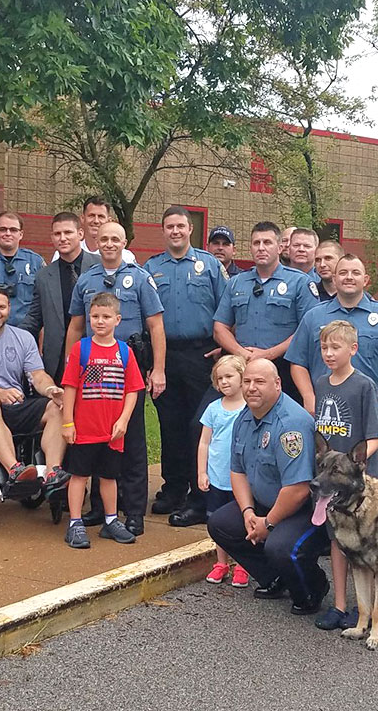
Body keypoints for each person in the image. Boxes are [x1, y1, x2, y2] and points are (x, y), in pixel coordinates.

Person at [65, 222, 165, 537]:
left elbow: (156, 326)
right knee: (95, 440)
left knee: (131, 445)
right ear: (96, 241)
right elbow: (75, 326)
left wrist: (158, 369)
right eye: (103, 238)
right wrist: (71, 364)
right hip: (91, 369)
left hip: (127, 367)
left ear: (124, 242)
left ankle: (133, 513)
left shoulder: (139, 277)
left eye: (115, 239)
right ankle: (100, 510)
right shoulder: (87, 279)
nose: (108, 243)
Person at [206, 359, 328, 613]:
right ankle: (276, 576)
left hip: (304, 510)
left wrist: (267, 523)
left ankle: (312, 588)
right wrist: (248, 512)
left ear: (277, 384)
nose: (252, 387)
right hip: (265, 503)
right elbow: (237, 471)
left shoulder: (290, 426)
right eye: (248, 381)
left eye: (260, 382)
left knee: (280, 546)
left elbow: (298, 489)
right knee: (221, 524)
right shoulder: (244, 418)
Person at [142, 206, 226, 525]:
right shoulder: (151, 268)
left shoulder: (210, 265)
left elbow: (225, 308)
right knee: (170, 425)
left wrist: (222, 344)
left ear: (190, 229)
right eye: (169, 227)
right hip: (165, 356)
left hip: (201, 355)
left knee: (198, 425)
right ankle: (173, 488)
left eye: (180, 226)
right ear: (163, 231)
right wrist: (153, 363)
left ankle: (199, 494)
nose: (175, 231)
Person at [286, 254, 378, 424]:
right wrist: (308, 397)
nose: (349, 277)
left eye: (355, 273)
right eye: (343, 273)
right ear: (334, 279)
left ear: (365, 280)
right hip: (325, 409)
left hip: (370, 409)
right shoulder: (313, 316)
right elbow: (298, 362)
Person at [311, 320, 378, 631]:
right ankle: (340, 604)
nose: (328, 353)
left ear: (353, 349)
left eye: (335, 347)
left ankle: (365, 608)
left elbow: (375, 436)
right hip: (329, 481)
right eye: (324, 347)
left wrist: (355, 464)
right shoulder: (321, 383)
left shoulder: (364, 385)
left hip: (355, 481)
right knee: (337, 541)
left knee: (368, 545)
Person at [0, 288, 68, 485]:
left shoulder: (23, 338)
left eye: (1, 307)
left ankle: (52, 472)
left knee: (56, 406)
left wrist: (52, 390)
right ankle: (15, 470)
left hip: (17, 404)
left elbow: (37, 375)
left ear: (9, 309)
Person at [60, 292, 144, 549]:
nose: (100, 321)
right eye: (95, 316)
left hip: (112, 431)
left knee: (109, 476)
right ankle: (75, 523)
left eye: (106, 317)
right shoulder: (81, 349)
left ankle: (110, 520)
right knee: (79, 475)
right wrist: (67, 423)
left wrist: (124, 420)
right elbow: (70, 386)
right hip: (85, 429)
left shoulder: (125, 352)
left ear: (117, 319)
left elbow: (133, 389)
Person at [212, 222, 318, 390]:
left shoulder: (299, 282)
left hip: (283, 369)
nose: (261, 248)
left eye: (267, 242)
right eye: (256, 243)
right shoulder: (236, 283)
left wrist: (267, 355)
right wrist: (242, 353)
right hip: (242, 367)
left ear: (280, 247)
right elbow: (220, 328)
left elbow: (307, 330)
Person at [22, 212, 97, 381]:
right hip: (58, 359)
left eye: (68, 232)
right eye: (57, 234)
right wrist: (9, 336)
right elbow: (34, 318)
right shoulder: (43, 276)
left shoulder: (99, 266)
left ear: (80, 234)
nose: (62, 238)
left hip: (95, 352)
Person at [198, 355, 249, 587]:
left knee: (242, 521)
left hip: (242, 478)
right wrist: (202, 472)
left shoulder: (249, 408)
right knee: (218, 521)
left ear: (242, 377)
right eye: (220, 378)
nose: (225, 382)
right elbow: (204, 443)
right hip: (217, 476)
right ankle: (221, 563)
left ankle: (243, 565)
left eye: (229, 376)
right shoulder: (212, 409)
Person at [50, 196, 136, 264]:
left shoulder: (125, 257)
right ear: (82, 218)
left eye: (101, 216)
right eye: (91, 215)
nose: (96, 221)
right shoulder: (63, 253)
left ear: (109, 220)